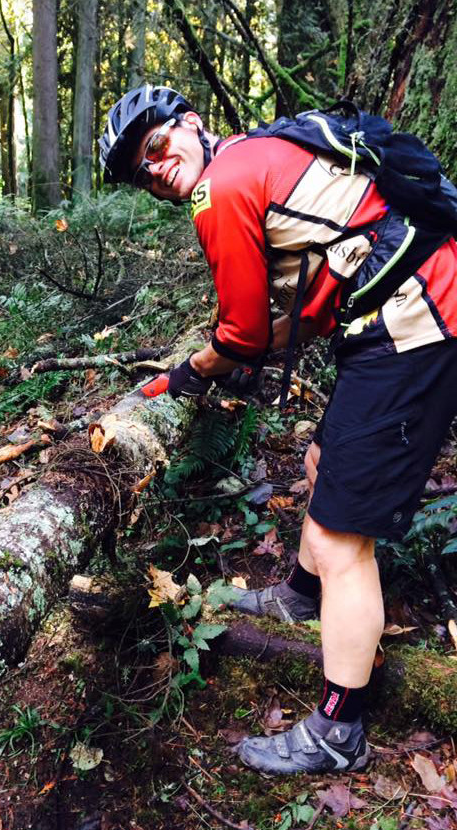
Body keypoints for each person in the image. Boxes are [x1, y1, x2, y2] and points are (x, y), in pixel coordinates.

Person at [99, 84, 457, 775]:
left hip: (416, 322)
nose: (156, 169)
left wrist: (189, 373)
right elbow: (289, 308)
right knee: (323, 462)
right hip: (391, 315)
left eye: (156, 146)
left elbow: (241, 332)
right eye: (143, 172)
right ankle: (299, 595)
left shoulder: (219, 186)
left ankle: (338, 730)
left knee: (338, 538)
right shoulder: (256, 155)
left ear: (191, 123)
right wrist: (234, 351)